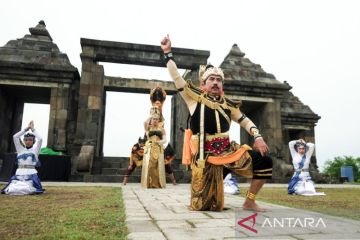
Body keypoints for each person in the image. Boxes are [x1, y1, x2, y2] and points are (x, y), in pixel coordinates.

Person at [160, 35, 272, 211]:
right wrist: (167, 52)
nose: (215, 82)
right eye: (211, 79)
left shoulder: (228, 105)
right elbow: (176, 77)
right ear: (203, 85)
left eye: (218, 80)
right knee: (203, 205)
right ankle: (212, 184)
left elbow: (245, 121)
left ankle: (249, 201)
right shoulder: (193, 100)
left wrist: (257, 137)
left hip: (227, 151)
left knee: (264, 162)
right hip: (205, 154)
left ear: (222, 85)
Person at [1, 121, 45, 195]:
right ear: (24, 141)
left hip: (30, 174)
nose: (28, 141)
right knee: (12, 189)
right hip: (19, 174)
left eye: (30, 140)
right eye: (26, 140)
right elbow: (15, 137)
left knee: (26, 189)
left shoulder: (35, 151)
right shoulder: (20, 150)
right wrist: (26, 129)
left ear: (33, 141)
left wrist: (33, 129)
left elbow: (40, 139)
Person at [141, 107, 167, 188]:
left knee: (157, 167)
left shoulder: (162, 129)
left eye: (156, 119)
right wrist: (151, 115)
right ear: (151, 120)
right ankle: (148, 184)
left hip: (158, 148)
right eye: (153, 119)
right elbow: (145, 122)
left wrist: (160, 142)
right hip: (150, 148)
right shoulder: (148, 128)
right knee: (149, 165)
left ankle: (157, 184)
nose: (155, 120)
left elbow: (165, 139)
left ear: (158, 120)